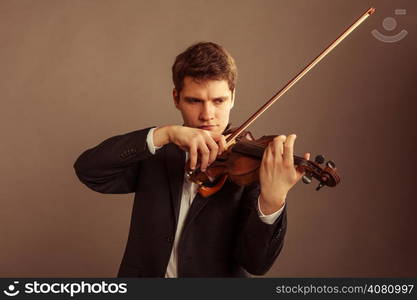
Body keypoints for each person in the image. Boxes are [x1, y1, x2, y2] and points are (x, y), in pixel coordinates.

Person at [73, 42, 309, 277]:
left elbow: (256, 264)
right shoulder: (159, 151)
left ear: (232, 97)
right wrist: (164, 133)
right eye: (194, 101)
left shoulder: (252, 169)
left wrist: (272, 201)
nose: (207, 115)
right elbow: (89, 170)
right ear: (176, 98)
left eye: (219, 101)